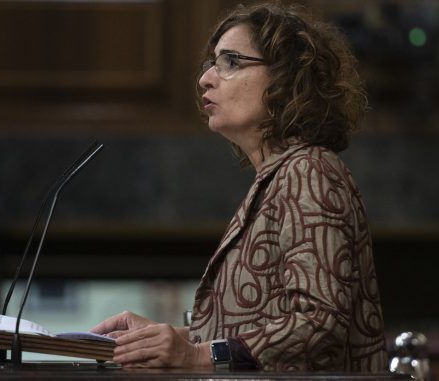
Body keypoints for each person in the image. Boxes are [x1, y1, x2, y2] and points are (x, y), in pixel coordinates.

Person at [90, 2, 387, 372]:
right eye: (211, 63)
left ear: (285, 77)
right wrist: (178, 338)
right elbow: (261, 323)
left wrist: (197, 355)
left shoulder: (310, 170)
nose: (206, 78)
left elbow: (319, 320)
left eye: (230, 61)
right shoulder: (280, 175)